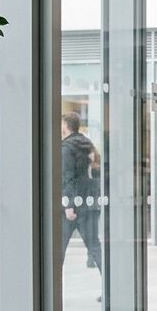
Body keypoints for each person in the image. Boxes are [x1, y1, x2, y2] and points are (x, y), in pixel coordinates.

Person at [60, 113, 103, 272]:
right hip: (89, 202)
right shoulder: (88, 145)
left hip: (72, 205)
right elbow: (97, 172)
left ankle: (53, 292)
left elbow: (67, 177)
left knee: (58, 249)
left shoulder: (66, 148)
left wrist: (69, 205)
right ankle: (111, 288)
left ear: (65, 125)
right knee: (94, 246)